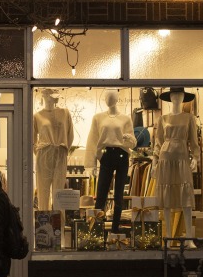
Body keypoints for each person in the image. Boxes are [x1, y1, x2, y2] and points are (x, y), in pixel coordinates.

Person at [152, 88, 199, 249]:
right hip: (165, 159)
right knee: (167, 200)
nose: (177, 98)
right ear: (170, 97)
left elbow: (194, 141)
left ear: (184, 97)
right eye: (174, 95)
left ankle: (189, 238)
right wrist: (154, 161)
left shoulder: (189, 118)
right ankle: (169, 237)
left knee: (185, 198)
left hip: (182, 158)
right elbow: (158, 143)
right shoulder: (163, 118)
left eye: (180, 95)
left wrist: (196, 158)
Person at [84, 89, 136, 234]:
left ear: (117, 98)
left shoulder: (126, 118)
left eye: (111, 96)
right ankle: (96, 229)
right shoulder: (98, 118)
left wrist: (128, 140)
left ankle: (115, 228)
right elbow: (92, 140)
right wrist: (91, 164)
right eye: (106, 96)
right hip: (106, 156)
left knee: (119, 194)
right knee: (101, 193)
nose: (108, 98)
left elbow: (132, 142)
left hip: (122, 155)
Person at [33, 88, 74, 210]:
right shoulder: (37, 116)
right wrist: (40, 152)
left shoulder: (65, 113)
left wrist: (64, 149)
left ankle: (58, 226)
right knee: (43, 190)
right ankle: (43, 225)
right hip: (44, 153)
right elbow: (33, 140)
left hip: (60, 152)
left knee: (59, 192)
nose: (55, 98)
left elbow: (70, 135)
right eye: (51, 96)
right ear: (44, 96)